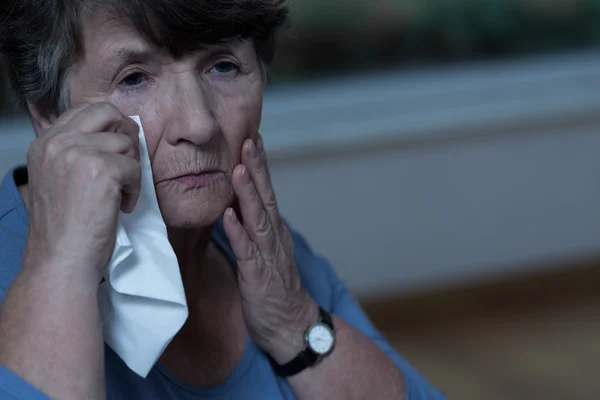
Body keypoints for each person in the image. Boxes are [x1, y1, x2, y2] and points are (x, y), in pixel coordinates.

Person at [0, 1, 445, 399]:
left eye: (223, 67)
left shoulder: (265, 257)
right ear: (49, 115)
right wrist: (59, 265)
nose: (198, 124)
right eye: (134, 79)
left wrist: (294, 322)